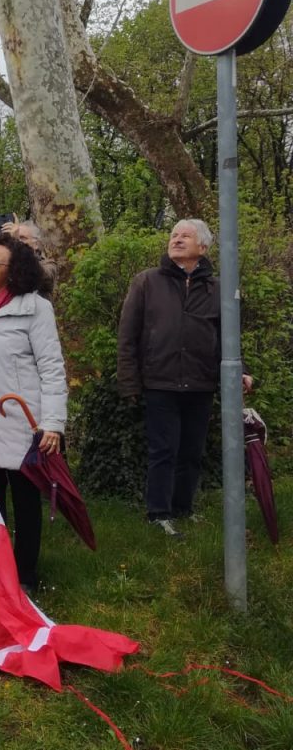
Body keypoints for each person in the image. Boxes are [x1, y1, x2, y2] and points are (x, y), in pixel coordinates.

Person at [117, 219, 252, 538]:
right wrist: (129, 382)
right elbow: (127, 335)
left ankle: (182, 508)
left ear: (203, 248)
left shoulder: (217, 287)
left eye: (185, 236)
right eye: (174, 235)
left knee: (192, 451)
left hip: (201, 382)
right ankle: (158, 513)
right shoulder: (146, 282)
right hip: (159, 381)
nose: (177, 240)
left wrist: (239, 372)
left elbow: (227, 337)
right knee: (163, 450)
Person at [0, 236, 67, 594]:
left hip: (21, 421)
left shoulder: (35, 309)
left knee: (25, 502)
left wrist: (52, 423)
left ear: (14, 271)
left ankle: (25, 575)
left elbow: (52, 368)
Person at [0, 214, 56, 296]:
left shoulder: (47, 265)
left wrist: (16, 244)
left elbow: (35, 278)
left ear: (36, 244)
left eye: (22, 238)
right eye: (16, 237)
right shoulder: (1, 263)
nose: (17, 241)